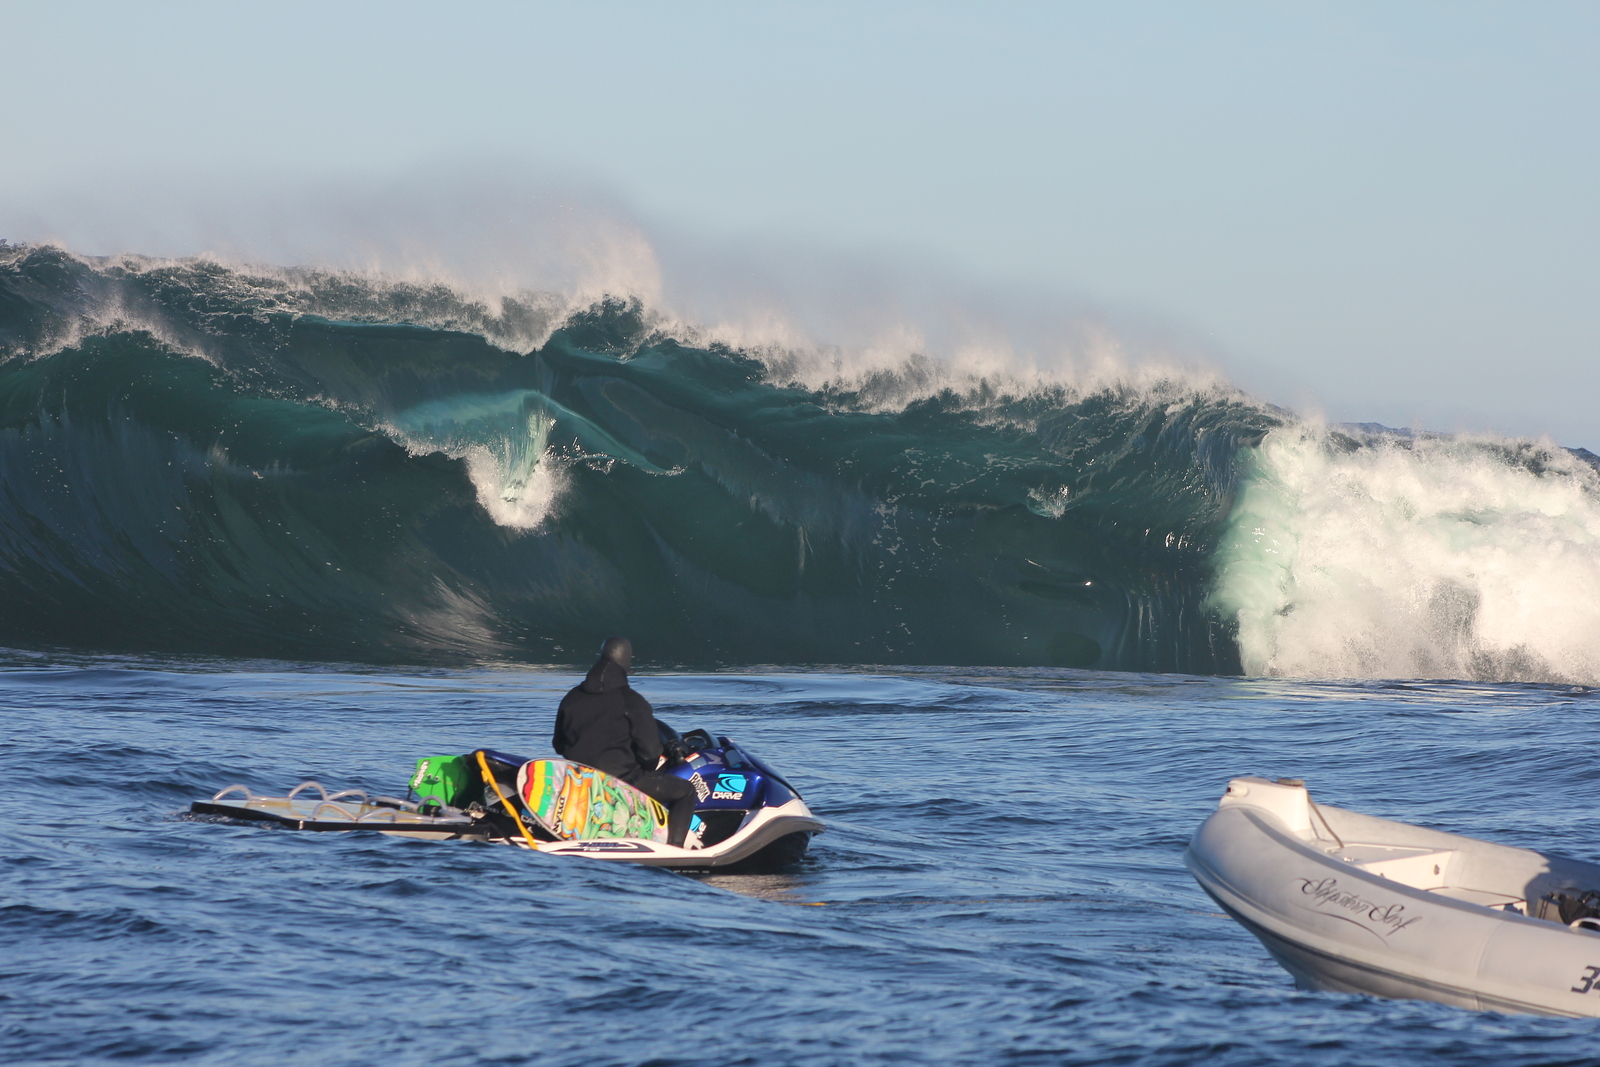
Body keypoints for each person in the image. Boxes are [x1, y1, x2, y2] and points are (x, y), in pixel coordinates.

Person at [552, 637, 696, 847]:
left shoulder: (571, 697)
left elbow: (559, 744)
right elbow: (650, 753)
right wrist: (641, 769)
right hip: (621, 782)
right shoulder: (632, 701)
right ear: (626, 661)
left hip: (579, 780)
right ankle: (675, 848)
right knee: (686, 790)